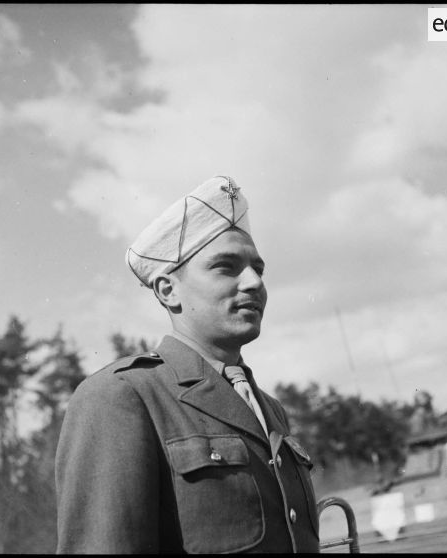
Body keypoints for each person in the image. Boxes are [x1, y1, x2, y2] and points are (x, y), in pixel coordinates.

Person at [55, 176, 320, 554]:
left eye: (258, 268)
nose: (254, 282)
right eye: (226, 267)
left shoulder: (269, 409)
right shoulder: (122, 396)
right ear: (168, 290)